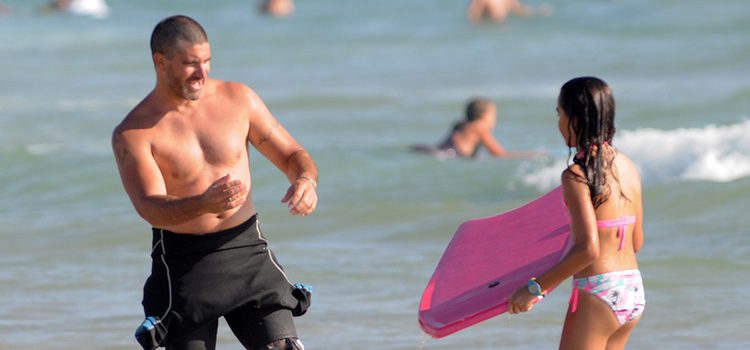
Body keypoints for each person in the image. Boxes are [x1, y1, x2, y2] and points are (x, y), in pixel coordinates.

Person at [112, 15, 317, 350]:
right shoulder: (134, 132)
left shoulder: (238, 100)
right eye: (190, 64)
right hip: (183, 266)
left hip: (247, 250)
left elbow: (293, 153)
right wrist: (202, 204)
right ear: (160, 62)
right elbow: (150, 207)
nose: (202, 73)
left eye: (207, 61)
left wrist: (305, 180)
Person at [507, 77, 645, 349]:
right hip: (633, 290)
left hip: (599, 292)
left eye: (560, 114)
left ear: (577, 119)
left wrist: (536, 288)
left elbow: (588, 250)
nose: (559, 123)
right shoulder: (628, 165)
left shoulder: (576, 176)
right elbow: (636, 242)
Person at [412, 98, 540, 159]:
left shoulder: (461, 124)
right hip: (446, 155)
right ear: (484, 116)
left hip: (433, 151)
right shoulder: (479, 127)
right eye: (493, 115)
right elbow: (499, 154)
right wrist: (532, 155)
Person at [467, 0, 551, 24]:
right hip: (505, 27)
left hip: (494, 28)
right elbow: (523, 12)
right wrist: (540, 12)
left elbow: (473, 16)